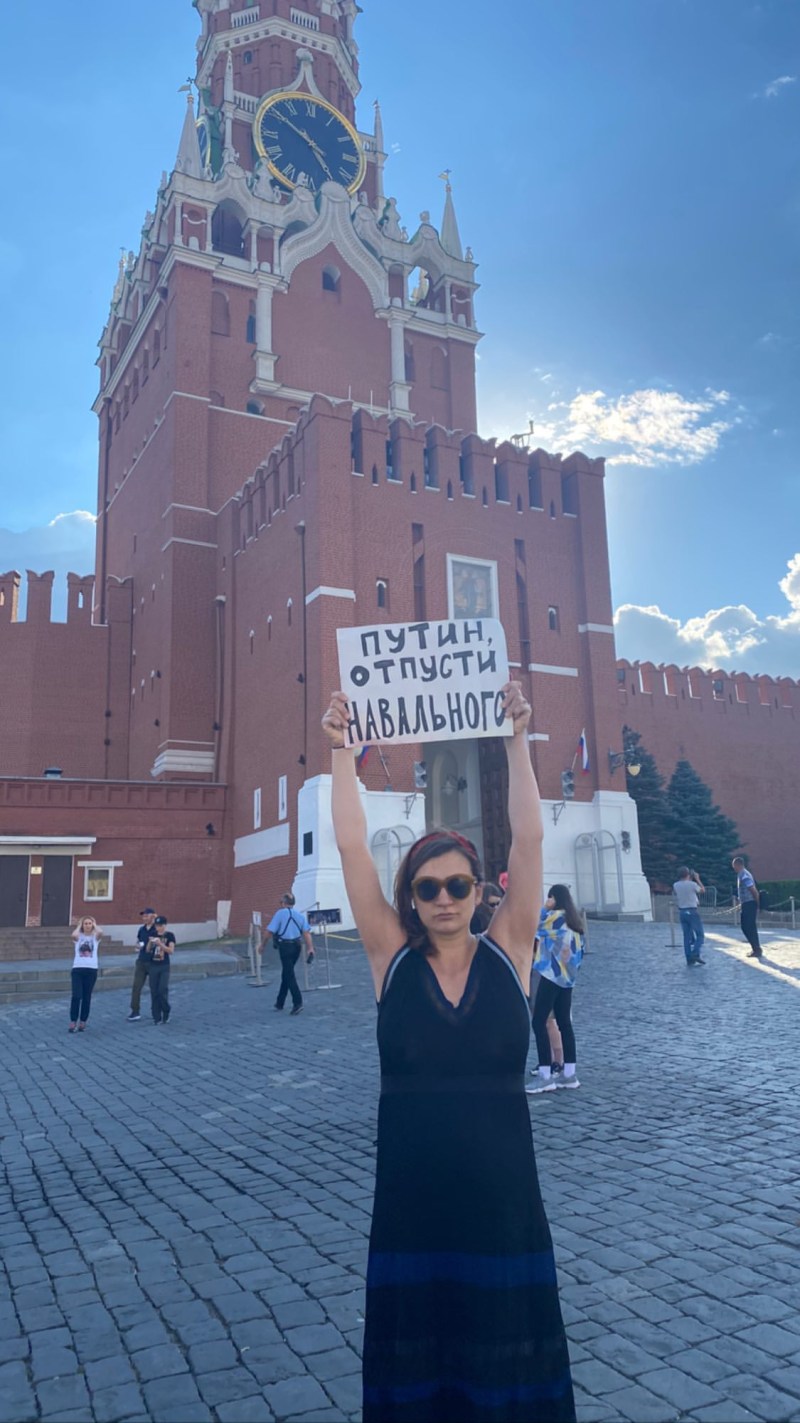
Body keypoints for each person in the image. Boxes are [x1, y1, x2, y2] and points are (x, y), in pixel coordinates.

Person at [323, 683, 575, 1423]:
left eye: (456, 884)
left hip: (502, 1201)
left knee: (504, 1366)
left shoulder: (512, 951)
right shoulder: (389, 957)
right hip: (414, 1206)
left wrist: (516, 740)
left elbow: (528, 842)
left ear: (477, 890)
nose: (442, 897)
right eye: (427, 886)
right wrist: (341, 753)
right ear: (411, 894)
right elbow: (349, 845)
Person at [527, 885, 585, 1094]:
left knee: (538, 1021)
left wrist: (544, 906)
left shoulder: (554, 917)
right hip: (568, 979)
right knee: (564, 1023)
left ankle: (545, 1075)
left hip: (550, 974)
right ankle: (569, 1073)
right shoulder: (574, 920)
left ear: (554, 898)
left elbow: (532, 925)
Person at [264, 893, 314, 1016]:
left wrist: (262, 945)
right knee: (287, 972)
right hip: (297, 946)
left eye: (281, 902)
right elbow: (306, 933)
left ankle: (298, 1003)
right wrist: (310, 948)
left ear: (284, 903)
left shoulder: (280, 914)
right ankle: (280, 1002)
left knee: (289, 974)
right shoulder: (299, 915)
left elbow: (269, 931)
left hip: (285, 947)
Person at [69, 917, 103, 1033]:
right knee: (76, 996)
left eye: (89, 923)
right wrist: (79, 926)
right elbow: (73, 935)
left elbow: (100, 932)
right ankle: (73, 1020)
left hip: (91, 969)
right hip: (78, 969)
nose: (88, 925)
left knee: (86, 997)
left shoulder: (95, 938)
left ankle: (83, 1021)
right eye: (86, 923)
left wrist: (95, 923)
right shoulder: (79, 937)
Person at [128, 908, 159, 1021]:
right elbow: (138, 941)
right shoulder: (141, 929)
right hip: (141, 961)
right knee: (136, 987)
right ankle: (135, 1011)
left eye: (147, 916)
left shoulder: (157, 929)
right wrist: (137, 946)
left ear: (153, 916)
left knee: (154, 987)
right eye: (143, 916)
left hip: (153, 962)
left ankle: (156, 1011)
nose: (144, 918)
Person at [673, 867, 706, 966]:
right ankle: (695, 953)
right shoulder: (692, 884)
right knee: (700, 935)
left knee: (686, 937)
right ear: (688, 874)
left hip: (682, 912)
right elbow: (702, 890)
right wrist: (697, 878)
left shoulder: (675, 885)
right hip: (692, 911)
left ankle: (689, 958)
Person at [733, 856, 763, 959]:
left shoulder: (744, 874)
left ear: (738, 864)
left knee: (748, 927)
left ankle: (756, 949)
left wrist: (757, 902)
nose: (733, 868)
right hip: (746, 903)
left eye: (734, 866)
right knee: (748, 927)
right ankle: (756, 948)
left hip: (749, 903)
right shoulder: (742, 874)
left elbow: (752, 889)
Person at [149, 916, 176, 1024]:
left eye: (161, 926)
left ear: (165, 925)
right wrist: (150, 942)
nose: (159, 928)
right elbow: (147, 950)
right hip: (153, 965)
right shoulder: (153, 935)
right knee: (154, 991)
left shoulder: (169, 936)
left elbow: (171, 951)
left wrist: (160, 944)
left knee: (162, 990)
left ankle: (166, 1011)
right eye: (157, 926)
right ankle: (156, 1016)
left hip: (164, 966)